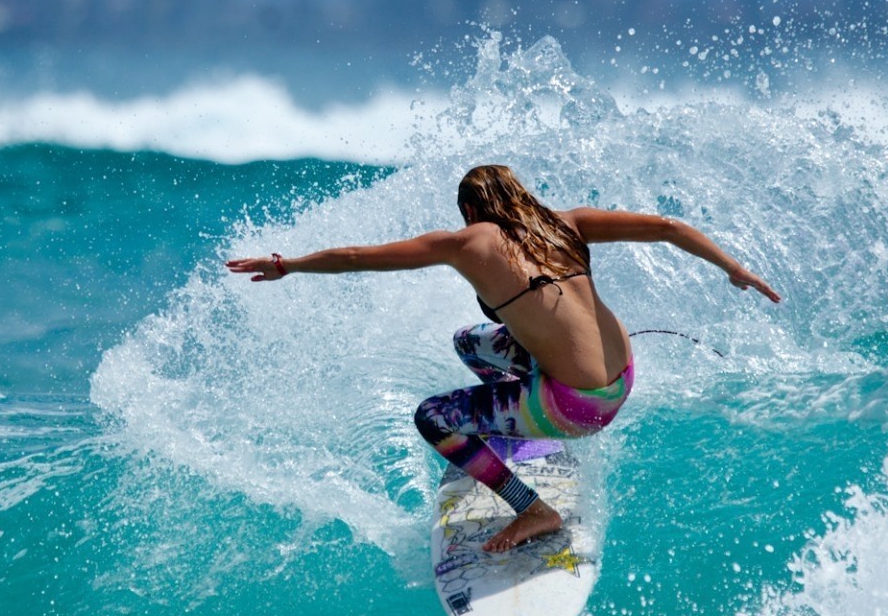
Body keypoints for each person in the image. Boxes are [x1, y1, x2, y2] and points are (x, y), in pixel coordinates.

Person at [227, 164, 781, 553]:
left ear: (470, 209)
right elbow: (667, 227)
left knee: (433, 418)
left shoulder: (468, 242)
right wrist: (733, 267)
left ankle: (533, 508)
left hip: (577, 406)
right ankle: (517, 427)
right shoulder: (568, 222)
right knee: (471, 341)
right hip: (621, 380)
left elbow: (355, 257)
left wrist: (289, 264)